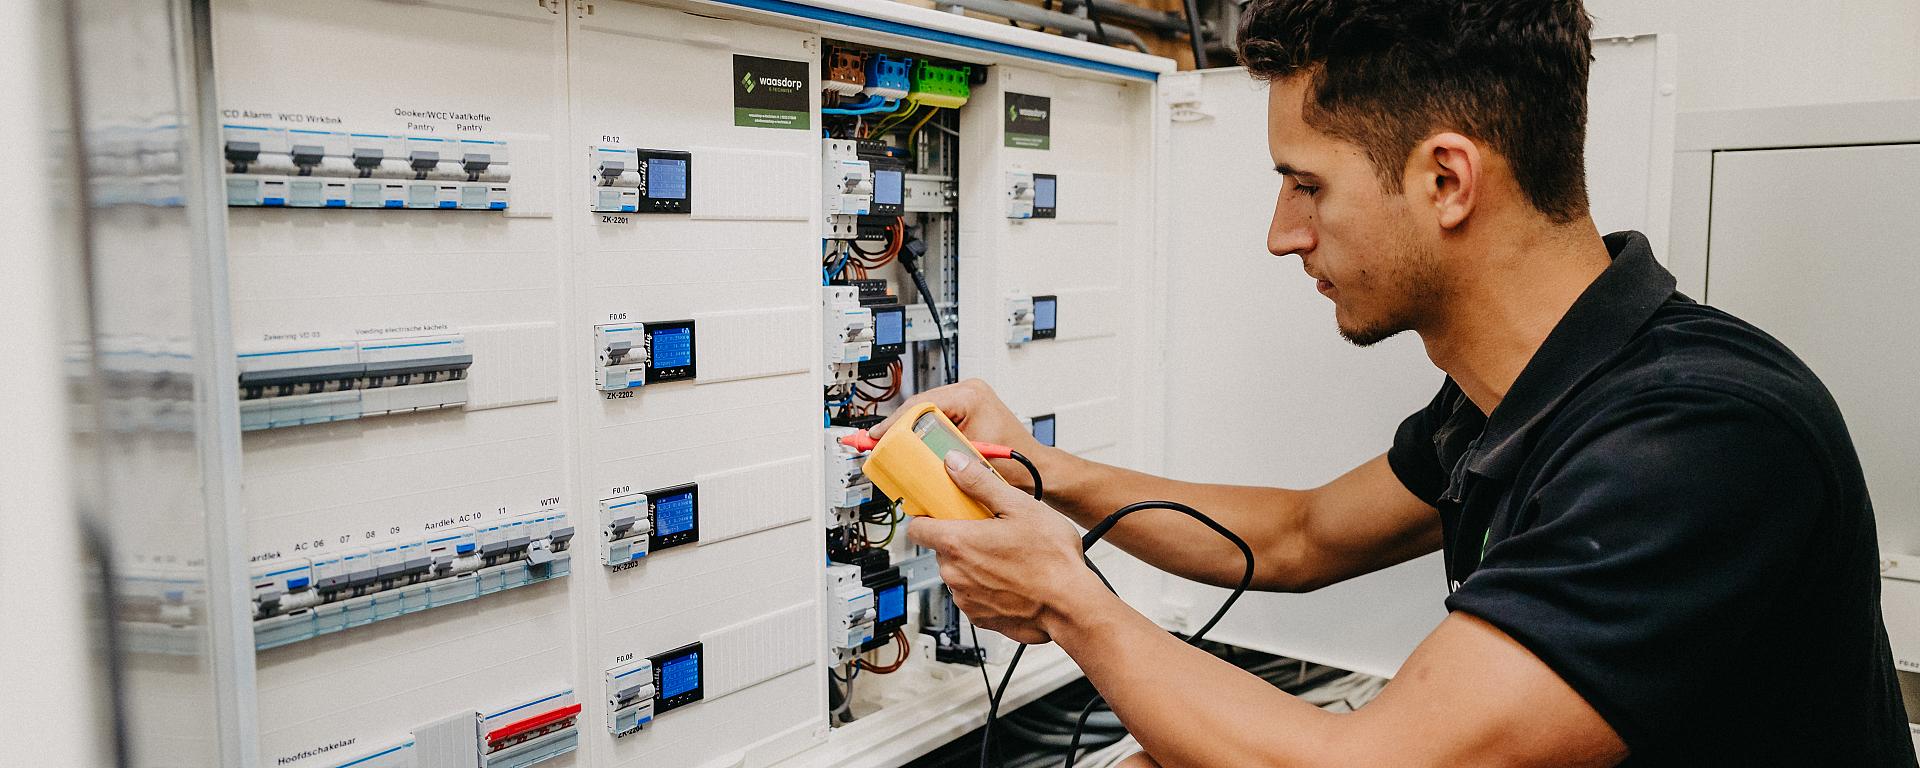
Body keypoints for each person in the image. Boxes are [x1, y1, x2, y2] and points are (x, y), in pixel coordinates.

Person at [870, 0, 1917, 765]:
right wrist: (1042, 475)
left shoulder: (1699, 442)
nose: (1281, 235)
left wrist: (1065, 600)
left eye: (1306, 184)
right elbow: (1301, 538)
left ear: (1447, 180)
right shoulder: (1529, 389)